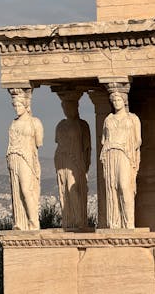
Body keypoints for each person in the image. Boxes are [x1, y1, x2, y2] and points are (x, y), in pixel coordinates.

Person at [101, 91, 141, 229]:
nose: (116, 103)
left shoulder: (133, 119)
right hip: (111, 154)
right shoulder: (108, 119)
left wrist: (125, 146)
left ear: (124, 101)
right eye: (114, 100)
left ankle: (129, 223)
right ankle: (115, 224)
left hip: (125, 154)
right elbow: (104, 140)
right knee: (112, 188)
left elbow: (138, 140)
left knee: (125, 186)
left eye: (118, 100)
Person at [7, 89, 43, 230]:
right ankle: (20, 223)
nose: (17, 108)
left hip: (27, 158)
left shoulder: (35, 122)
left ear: (26, 105)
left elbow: (39, 142)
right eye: (15, 106)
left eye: (19, 105)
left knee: (26, 189)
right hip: (13, 157)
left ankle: (34, 223)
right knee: (17, 191)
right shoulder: (13, 123)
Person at [55, 92, 91, 229]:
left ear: (76, 107)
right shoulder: (60, 125)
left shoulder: (83, 125)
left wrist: (86, 165)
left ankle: (79, 220)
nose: (67, 110)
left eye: (70, 107)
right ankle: (68, 220)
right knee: (64, 188)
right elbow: (58, 143)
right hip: (62, 159)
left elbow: (87, 148)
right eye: (65, 108)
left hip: (76, 160)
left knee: (73, 187)